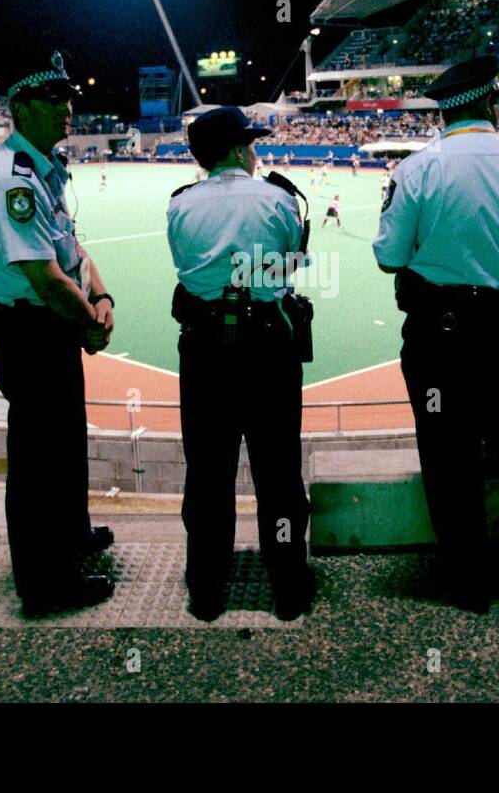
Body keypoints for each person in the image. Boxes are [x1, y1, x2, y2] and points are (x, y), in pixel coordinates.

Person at [372, 55, 499, 614]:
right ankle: (492, 445)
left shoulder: (416, 169)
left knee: (439, 442)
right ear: (489, 103)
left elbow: (388, 258)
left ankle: (465, 577)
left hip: (439, 328)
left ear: (444, 113)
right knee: (487, 370)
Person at [0, 52, 116, 617]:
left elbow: (71, 249)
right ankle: (44, 583)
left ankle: (71, 536)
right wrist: (88, 324)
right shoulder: (14, 182)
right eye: (52, 99)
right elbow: (45, 276)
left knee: (64, 438)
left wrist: (100, 297)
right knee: (37, 455)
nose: (67, 107)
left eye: (67, 96)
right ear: (21, 108)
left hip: (52, 322)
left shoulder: (44, 167)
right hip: (30, 329)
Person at [167, 106, 316, 623]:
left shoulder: (179, 206)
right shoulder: (278, 199)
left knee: (208, 474)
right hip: (268, 350)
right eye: (250, 144)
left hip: (205, 352)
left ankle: (207, 590)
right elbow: (294, 261)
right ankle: (288, 587)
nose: (256, 153)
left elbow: (184, 268)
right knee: (278, 473)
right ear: (237, 150)